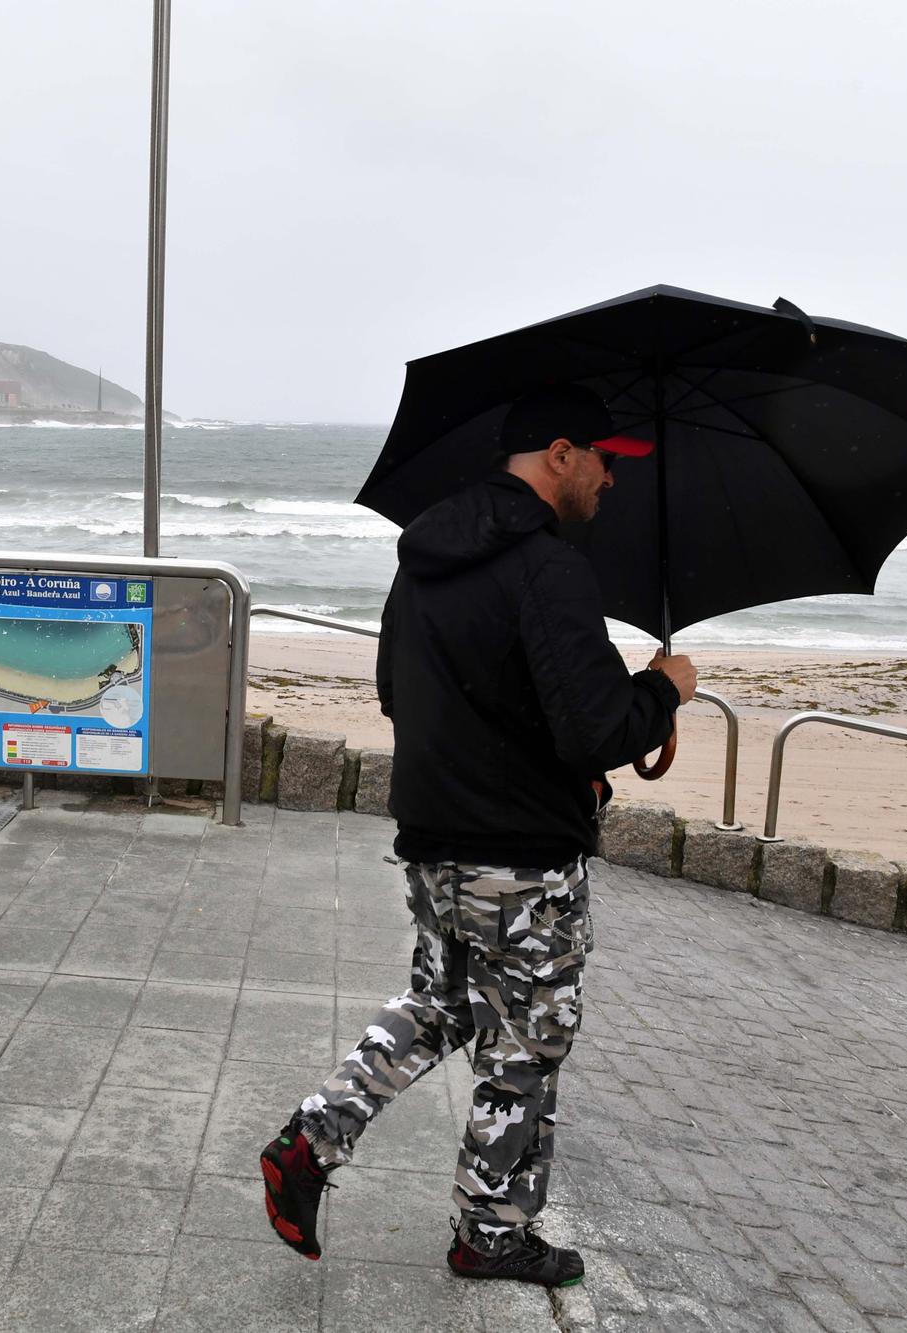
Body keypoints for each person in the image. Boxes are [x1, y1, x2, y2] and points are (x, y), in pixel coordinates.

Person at [260, 384, 696, 1287]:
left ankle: (312, 1140)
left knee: (444, 1004)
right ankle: (491, 1235)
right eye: (607, 461)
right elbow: (595, 728)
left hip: (434, 841)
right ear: (562, 452)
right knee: (527, 1047)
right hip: (524, 861)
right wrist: (665, 692)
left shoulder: (422, 559)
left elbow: (395, 690)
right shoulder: (548, 567)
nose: (612, 481)